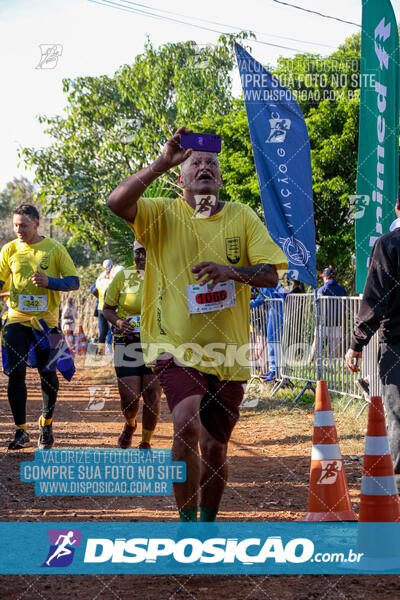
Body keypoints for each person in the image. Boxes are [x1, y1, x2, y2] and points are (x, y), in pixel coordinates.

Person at [107, 126, 287, 522]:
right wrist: (159, 162)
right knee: (185, 426)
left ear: (219, 178)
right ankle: (187, 528)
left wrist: (230, 271)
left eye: (211, 164)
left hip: (228, 351)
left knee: (215, 448)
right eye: (195, 163)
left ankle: (207, 524)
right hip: (174, 344)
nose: (204, 167)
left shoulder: (241, 216)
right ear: (181, 178)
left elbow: (272, 275)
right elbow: (116, 202)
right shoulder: (162, 213)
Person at [0, 204, 79, 449]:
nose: (18, 230)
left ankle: (46, 422)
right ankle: (21, 431)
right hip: (16, 319)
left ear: (36, 223)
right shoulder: (9, 250)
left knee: (49, 376)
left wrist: (49, 281)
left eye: (23, 225)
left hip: (49, 324)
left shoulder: (55, 249)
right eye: (15, 225)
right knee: (16, 374)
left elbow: (73, 282)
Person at [346, 197, 400, 492]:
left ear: (397, 207)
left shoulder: (389, 244)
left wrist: (357, 342)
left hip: (397, 343)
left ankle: (398, 486)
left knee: (399, 415)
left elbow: (376, 297)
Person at [103, 241, 161, 450]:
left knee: (152, 394)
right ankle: (130, 424)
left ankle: (146, 442)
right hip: (126, 342)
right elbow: (107, 308)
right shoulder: (122, 276)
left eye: (147, 252)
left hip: (155, 343)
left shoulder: (164, 275)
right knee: (129, 397)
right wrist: (118, 322)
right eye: (138, 252)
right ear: (133, 253)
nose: (142, 257)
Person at [250, 283, 286, 382]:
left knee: (273, 341)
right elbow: (260, 299)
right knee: (271, 341)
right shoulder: (265, 282)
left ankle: (275, 371)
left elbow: (262, 299)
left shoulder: (268, 281)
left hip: (277, 311)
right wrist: (249, 304)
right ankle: (273, 370)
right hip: (273, 310)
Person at [90, 259, 113, 354]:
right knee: (111, 331)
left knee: (102, 332)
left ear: (103, 268)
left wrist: (100, 297)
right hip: (110, 309)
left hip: (100, 308)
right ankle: (111, 351)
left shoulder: (100, 280)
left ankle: (100, 351)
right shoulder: (113, 280)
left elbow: (93, 290)